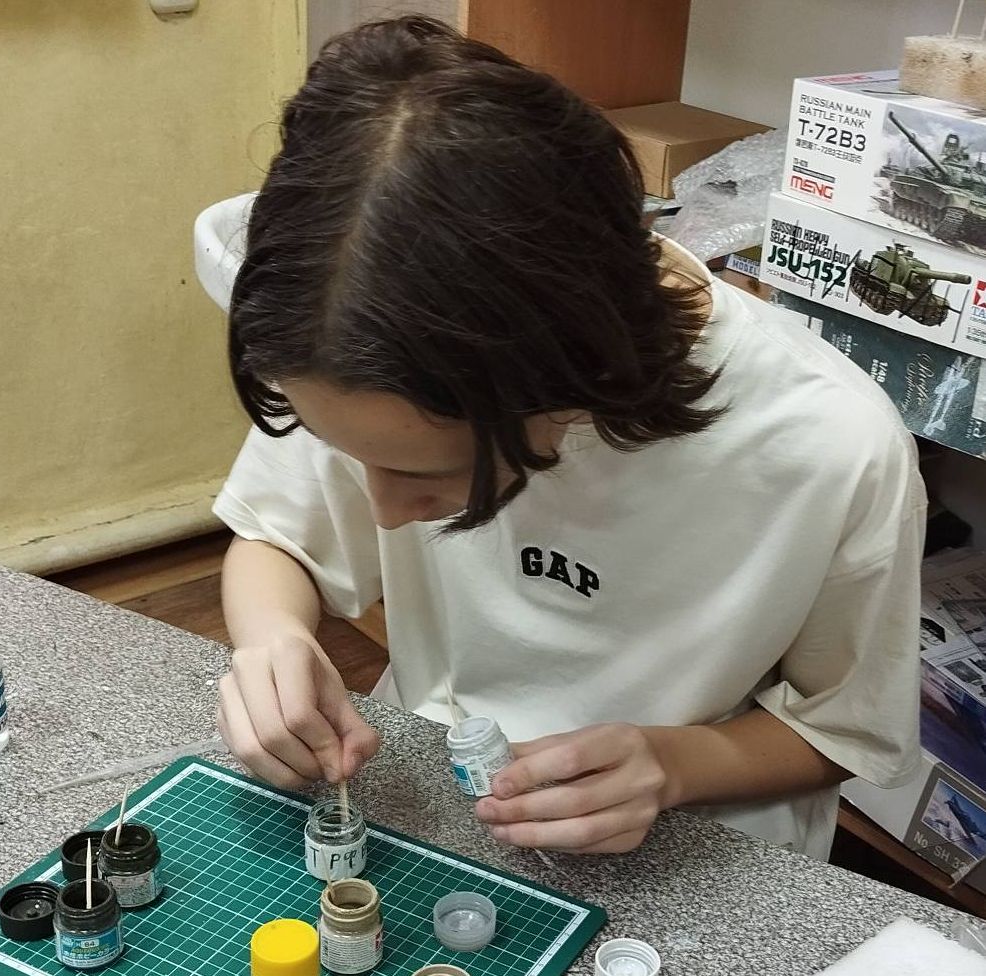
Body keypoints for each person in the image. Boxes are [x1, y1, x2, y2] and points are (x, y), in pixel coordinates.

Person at [213, 15, 926, 860]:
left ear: (578, 369)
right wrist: (275, 641)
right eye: (351, 458)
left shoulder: (829, 445)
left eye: (434, 472)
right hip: (436, 789)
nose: (386, 513)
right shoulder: (362, 345)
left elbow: (843, 731)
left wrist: (671, 765)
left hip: (698, 842)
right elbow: (276, 541)